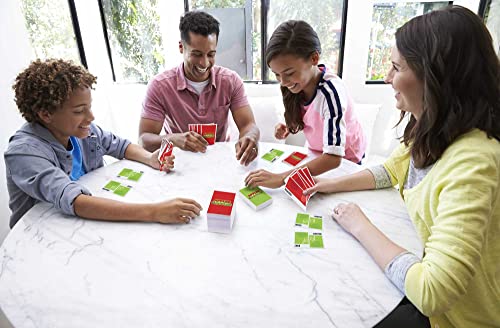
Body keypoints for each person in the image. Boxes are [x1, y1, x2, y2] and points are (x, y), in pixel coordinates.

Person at [304, 6, 500, 328]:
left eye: (397, 67)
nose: (387, 78)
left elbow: (432, 292)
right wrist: (328, 184)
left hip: (454, 320)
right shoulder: (432, 128)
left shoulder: (474, 161)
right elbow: (391, 171)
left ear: (436, 76)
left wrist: (360, 225)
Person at [5, 59, 202, 229]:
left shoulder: (81, 130)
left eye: (89, 107)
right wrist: (154, 212)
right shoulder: (23, 152)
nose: (91, 117)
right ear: (46, 114)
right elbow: (76, 201)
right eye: (79, 111)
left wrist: (150, 158)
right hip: (41, 238)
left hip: (87, 224)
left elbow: (120, 145)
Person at [244, 20, 366, 189]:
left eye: (289, 73)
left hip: (346, 162)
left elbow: (333, 158)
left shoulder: (331, 93)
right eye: (277, 75)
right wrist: (290, 125)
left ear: (314, 58)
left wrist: (281, 178)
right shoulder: (298, 84)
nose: (283, 82)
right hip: (317, 153)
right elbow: (313, 116)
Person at [139, 10, 260, 166]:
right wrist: (174, 139)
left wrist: (250, 137)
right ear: (181, 47)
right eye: (196, 54)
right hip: (177, 163)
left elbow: (248, 125)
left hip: (220, 161)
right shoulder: (159, 86)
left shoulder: (231, 81)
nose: (204, 63)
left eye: (211, 54)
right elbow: (144, 139)